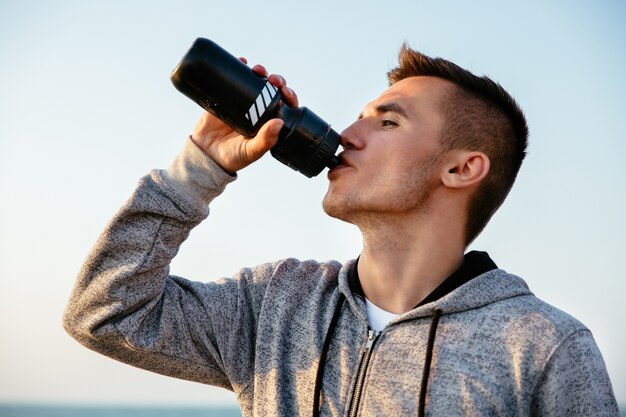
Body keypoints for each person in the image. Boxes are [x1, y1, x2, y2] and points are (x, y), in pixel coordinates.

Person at [63, 44, 619, 416]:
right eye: (359, 116)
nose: (348, 134)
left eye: (388, 121)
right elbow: (106, 315)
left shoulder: (543, 347)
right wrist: (201, 167)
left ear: (460, 169)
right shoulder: (275, 305)